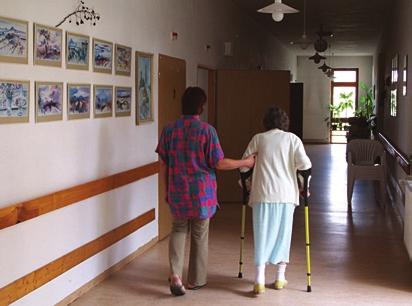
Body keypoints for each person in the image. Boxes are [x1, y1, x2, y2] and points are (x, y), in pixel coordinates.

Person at [156, 86, 255, 296]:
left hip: (178, 190)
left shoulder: (169, 129)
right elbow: (218, 163)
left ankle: (175, 274)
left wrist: (166, 190)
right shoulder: (207, 131)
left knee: (178, 229)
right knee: (199, 235)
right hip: (202, 193)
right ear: (201, 107)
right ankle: (196, 280)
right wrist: (245, 162)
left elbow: (163, 163)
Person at [241, 106, 311, 294]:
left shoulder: (258, 138)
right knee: (283, 234)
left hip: (262, 194)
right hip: (286, 195)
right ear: (284, 123)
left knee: (262, 234)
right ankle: (280, 278)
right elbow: (305, 166)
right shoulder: (292, 139)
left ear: (266, 122)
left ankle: (259, 280)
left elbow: (244, 166)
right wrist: (304, 186)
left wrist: (246, 186)